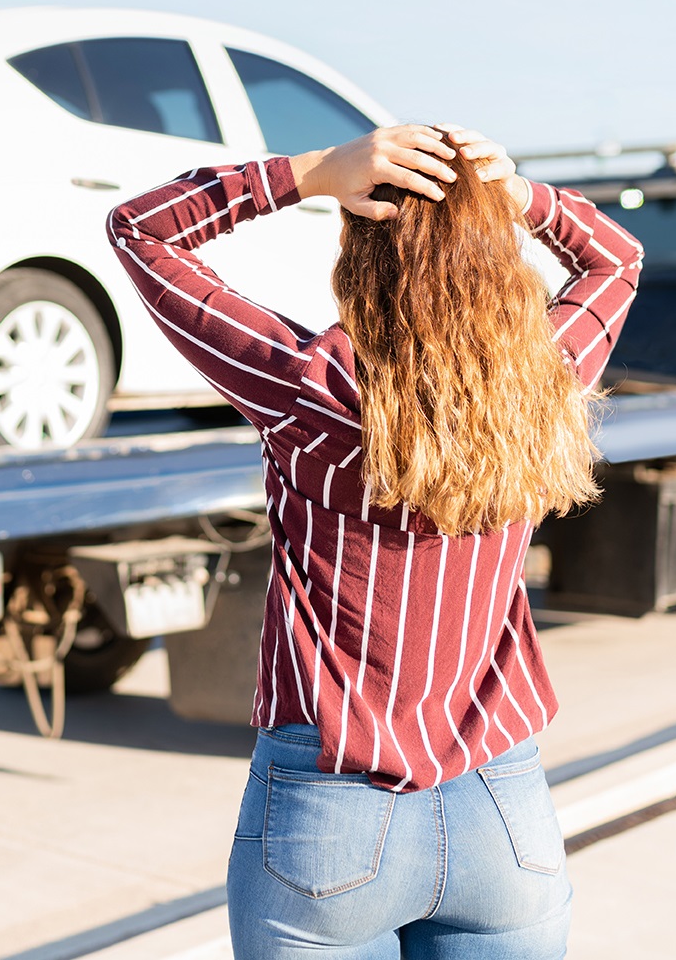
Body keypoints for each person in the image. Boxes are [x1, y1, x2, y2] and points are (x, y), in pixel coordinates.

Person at [107, 123, 643, 958]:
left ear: (359, 256)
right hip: (503, 811)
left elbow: (140, 229)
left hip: (330, 815)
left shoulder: (310, 390)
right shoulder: (544, 379)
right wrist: (523, 199)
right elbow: (616, 259)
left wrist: (308, 173)